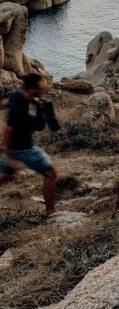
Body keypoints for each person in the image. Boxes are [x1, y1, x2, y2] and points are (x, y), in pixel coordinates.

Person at [0, 72, 58, 217]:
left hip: (17, 149)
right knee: (51, 174)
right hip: (24, 149)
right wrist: (11, 156)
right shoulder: (22, 108)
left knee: (3, 177)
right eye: (42, 86)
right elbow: (8, 131)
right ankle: (51, 211)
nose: (44, 89)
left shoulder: (18, 95)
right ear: (33, 87)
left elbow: (4, 102)